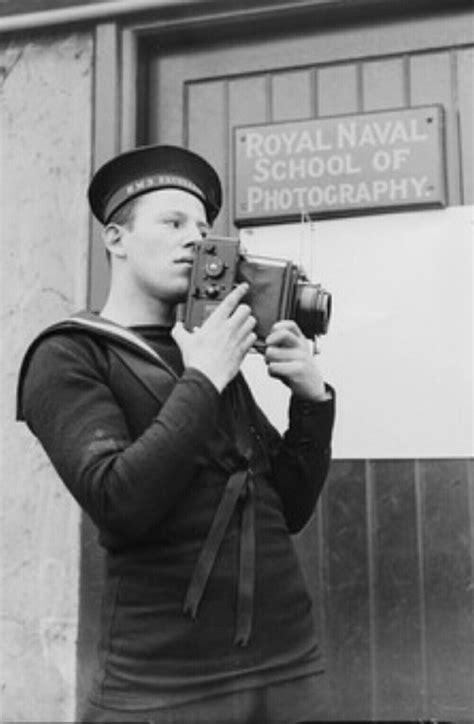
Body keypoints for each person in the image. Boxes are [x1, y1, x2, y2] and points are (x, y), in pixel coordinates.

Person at [16, 145, 335, 723]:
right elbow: (120, 501)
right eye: (172, 222)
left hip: (288, 664)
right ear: (116, 238)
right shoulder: (70, 354)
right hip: (161, 685)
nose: (196, 238)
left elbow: (285, 507)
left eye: (203, 226)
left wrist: (311, 400)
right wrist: (205, 377)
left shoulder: (204, 346)